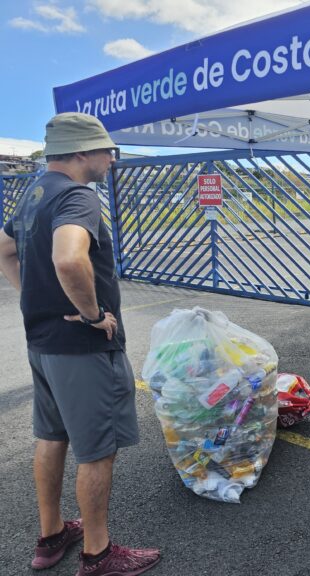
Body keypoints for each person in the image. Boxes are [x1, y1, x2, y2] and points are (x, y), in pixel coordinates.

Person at [0, 113, 160, 576]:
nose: (112, 159)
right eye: (108, 151)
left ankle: (52, 535)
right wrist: (92, 315)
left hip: (43, 342)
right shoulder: (77, 196)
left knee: (51, 437)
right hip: (82, 348)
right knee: (96, 449)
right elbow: (69, 259)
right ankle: (98, 554)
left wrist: (34, 297)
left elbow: (4, 250)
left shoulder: (34, 192)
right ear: (83, 151)